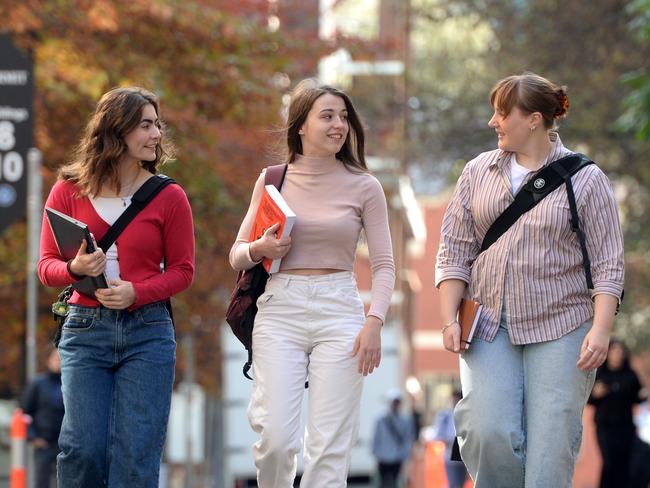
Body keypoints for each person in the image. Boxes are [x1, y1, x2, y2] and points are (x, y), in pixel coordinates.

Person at [435, 72, 624, 487]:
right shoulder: (477, 173)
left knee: (551, 446)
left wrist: (601, 329)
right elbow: (455, 251)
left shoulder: (586, 179)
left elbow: (609, 262)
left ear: (534, 119)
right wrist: (450, 318)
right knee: (487, 432)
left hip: (561, 326)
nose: (493, 122)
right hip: (487, 323)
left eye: (502, 113)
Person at [230, 79, 395, 488]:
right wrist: (260, 247)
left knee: (329, 446)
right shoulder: (272, 179)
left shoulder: (365, 186)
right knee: (276, 440)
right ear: (300, 125)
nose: (339, 125)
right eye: (327, 116)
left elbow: (385, 264)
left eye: (343, 117)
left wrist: (374, 321)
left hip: (340, 309)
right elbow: (237, 253)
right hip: (280, 308)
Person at [38, 87, 195, 487]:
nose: (157, 134)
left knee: (136, 455)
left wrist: (137, 292)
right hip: (85, 329)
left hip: (148, 332)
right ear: (116, 130)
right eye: (145, 125)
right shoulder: (67, 191)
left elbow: (183, 271)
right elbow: (45, 267)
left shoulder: (169, 196)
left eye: (157, 124)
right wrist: (75, 268)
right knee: (82, 449)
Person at [588, 338, 645, 488]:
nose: (617, 355)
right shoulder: (599, 374)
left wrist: (643, 395)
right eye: (614, 351)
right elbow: (589, 401)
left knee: (625, 462)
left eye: (620, 351)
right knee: (610, 462)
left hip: (626, 426)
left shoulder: (630, 375)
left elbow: (637, 398)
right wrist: (595, 394)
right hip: (605, 427)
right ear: (608, 354)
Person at [21, 348, 64, 488]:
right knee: (41, 481)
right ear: (48, 360)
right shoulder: (37, 384)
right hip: (43, 443)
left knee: (64, 481)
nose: (59, 362)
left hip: (64, 444)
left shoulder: (69, 385)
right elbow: (25, 413)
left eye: (62, 358)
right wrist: (33, 437)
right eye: (56, 358)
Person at [371, 390, 415, 488]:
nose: (395, 404)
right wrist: (375, 453)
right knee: (383, 483)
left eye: (397, 402)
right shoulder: (381, 419)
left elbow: (408, 438)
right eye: (393, 402)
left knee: (396, 483)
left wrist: (406, 455)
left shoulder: (405, 420)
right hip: (383, 458)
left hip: (397, 457)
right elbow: (376, 437)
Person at [431, 390, 468, 488]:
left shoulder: (465, 414)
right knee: (453, 483)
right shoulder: (445, 415)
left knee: (461, 483)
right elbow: (437, 435)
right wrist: (448, 441)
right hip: (450, 454)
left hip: (464, 455)